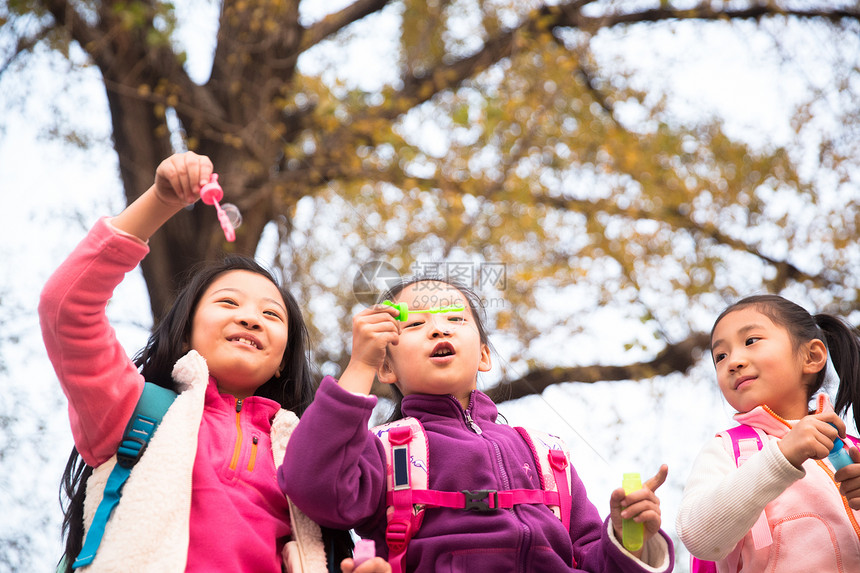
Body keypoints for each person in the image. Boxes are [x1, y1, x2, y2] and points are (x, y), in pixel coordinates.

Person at [39, 151, 372, 572]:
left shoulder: (304, 458)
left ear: (284, 361)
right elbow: (65, 309)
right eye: (228, 302)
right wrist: (161, 200)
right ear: (184, 334)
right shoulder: (132, 411)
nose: (251, 317)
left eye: (272, 314)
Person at [279, 277, 675, 572]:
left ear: (484, 356)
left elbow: (593, 559)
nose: (439, 328)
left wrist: (627, 537)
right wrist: (359, 365)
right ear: (386, 365)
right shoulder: (385, 450)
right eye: (414, 325)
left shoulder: (546, 456)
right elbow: (313, 485)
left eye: (455, 318)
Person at [676, 294, 860, 572]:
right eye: (720, 356)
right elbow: (698, 536)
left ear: (812, 356)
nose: (733, 362)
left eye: (751, 341)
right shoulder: (725, 450)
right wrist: (782, 458)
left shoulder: (854, 449)